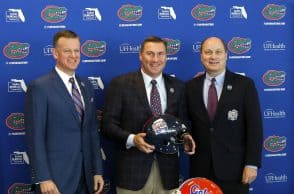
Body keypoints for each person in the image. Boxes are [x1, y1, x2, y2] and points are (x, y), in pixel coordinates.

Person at [101, 36, 195, 194]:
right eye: (150, 53)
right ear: (140, 55)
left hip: (168, 176)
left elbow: (183, 123)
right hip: (131, 176)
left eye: (160, 54)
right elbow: (107, 125)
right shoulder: (120, 84)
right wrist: (132, 139)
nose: (155, 59)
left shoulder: (178, 86)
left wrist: (185, 136)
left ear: (166, 56)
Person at [25, 30, 104, 194]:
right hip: (56, 179)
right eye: (67, 51)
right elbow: (35, 136)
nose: (74, 55)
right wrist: (43, 177)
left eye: (77, 50)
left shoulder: (86, 85)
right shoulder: (40, 87)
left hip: (86, 176)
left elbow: (91, 132)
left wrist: (97, 170)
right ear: (55, 53)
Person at [185, 36, 263, 194]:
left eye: (218, 52)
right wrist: (185, 136)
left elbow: (255, 127)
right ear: (201, 56)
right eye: (208, 52)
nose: (213, 56)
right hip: (201, 170)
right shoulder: (190, 87)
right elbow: (186, 122)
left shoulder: (245, 85)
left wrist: (252, 164)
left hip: (235, 170)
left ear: (226, 55)